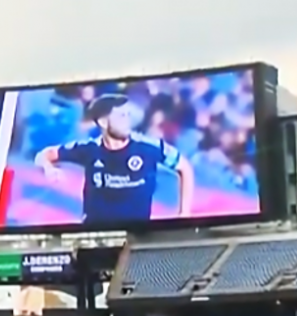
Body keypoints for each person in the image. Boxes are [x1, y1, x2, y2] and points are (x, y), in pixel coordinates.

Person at [34, 93, 194, 223]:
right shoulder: (89, 149)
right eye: (121, 116)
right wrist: (48, 168)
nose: (127, 121)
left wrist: (184, 212)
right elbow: (43, 155)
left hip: (136, 238)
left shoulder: (149, 147)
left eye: (127, 115)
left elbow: (184, 167)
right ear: (103, 122)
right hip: (95, 237)